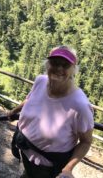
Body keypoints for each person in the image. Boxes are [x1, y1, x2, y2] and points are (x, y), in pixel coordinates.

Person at [8, 46, 94, 178]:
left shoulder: (80, 106)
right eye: (55, 63)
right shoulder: (40, 81)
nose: (59, 68)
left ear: (74, 70)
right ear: (48, 65)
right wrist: (13, 111)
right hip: (25, 149)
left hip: (46, 167)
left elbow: (86, 142)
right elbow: (29, 100)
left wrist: (68, 169)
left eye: (65, 65)